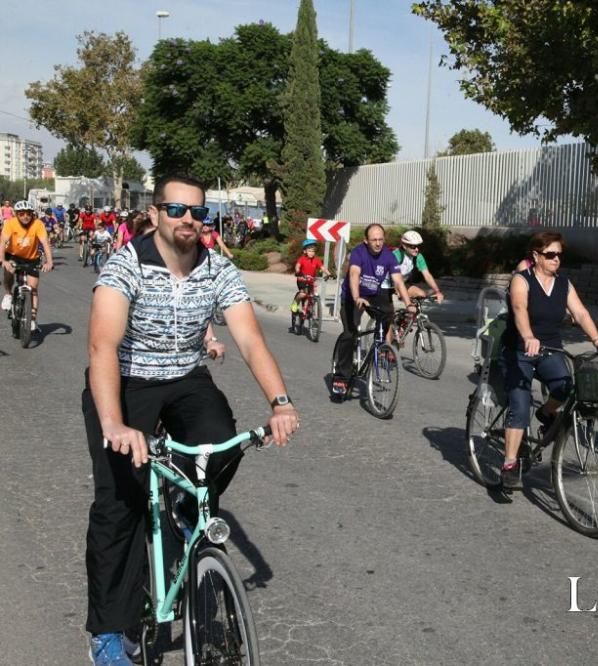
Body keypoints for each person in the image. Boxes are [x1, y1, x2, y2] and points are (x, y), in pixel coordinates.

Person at [83, 174, 300, 665]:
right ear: (156, 212)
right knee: (120, 505)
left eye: (197, 213)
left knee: (220, 446)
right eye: (176, 210)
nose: (188, 220)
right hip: (127, 380)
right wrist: (114, 424)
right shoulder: (126, 266)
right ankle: (109, 633)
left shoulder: (218, 269)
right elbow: (102, 346)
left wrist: (280, 401)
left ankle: (186, 515)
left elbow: (249, 340)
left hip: (185, 378)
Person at [499, 231, 598, 491]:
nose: (556, 260)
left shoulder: (563, 284)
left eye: (559, 255)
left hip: (550, 348)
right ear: (536, 256)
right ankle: (509, 463)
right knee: (520, 402)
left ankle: (546, 411)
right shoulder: (522, 279)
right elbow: (519, 308)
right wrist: (528, 336)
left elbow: (580, 312)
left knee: (566, 387)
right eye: (550, 255)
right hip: (519, 350)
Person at [329, 223, 415, 394]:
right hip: (352, 295)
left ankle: (380, 345)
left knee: (388, 313)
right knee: (350, 333)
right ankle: (341, 377)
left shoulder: (388, 256)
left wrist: (409, 304)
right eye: (374, 240)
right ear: (366, 241)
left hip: (373, 294)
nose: (377, 243)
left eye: (380, 239)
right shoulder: (359, 253)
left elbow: (398, 281)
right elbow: (354, 275)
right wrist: (356, 298)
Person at [1, 201, 54, 331]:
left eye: (28, 214)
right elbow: (2, 242)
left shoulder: (38, 224)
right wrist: (3, 260)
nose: (25, 216)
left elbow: (45, 243)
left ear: (32, 214)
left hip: (32, 258)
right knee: (9, 270)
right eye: (22, 214)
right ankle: (8, 294)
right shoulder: (10, 223)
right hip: (13, 255)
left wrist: (49, 262)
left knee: (33, 288)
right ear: (17, 214)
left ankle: (33, 319)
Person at [290, 238, 331, 327]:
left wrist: (329, 273)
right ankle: (295, 303)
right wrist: (298, 272)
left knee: (310, 295)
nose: (312, 253)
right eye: (309, 251)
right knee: (303, 294)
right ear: (305, 251)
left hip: (311, 280)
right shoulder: (302, 259)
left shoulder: (316, 260)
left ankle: (306, 310)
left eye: (313, 251)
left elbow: (322, 268)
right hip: (302, 280)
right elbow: (297, 266)